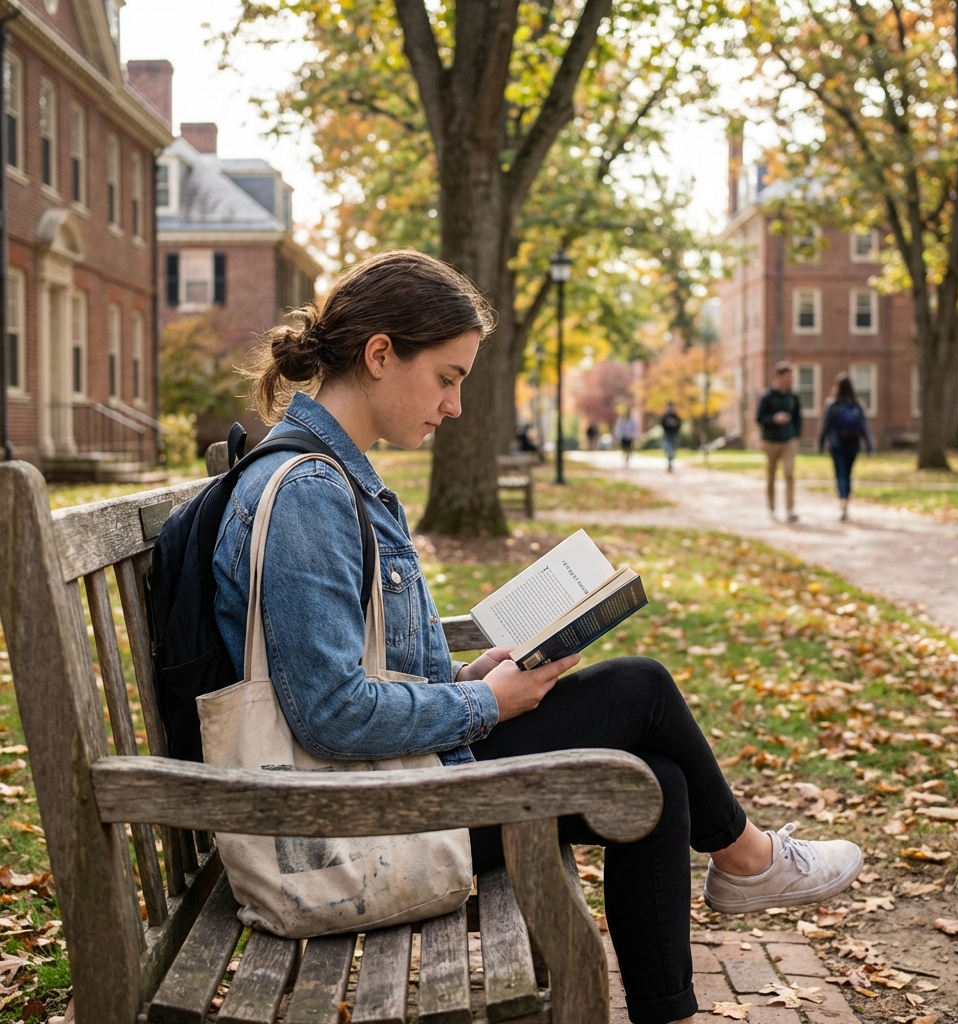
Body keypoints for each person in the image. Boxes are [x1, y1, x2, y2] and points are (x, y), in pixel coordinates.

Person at [215, 251, 861, 1024]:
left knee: (659, 783)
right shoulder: (312, 495)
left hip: (391, 786)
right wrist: (484, 704)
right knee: (641, 687)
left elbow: (351, 675)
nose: (454, 406)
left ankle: (685, 987)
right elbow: (331, 711)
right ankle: (749, 860)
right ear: (381, 355)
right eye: (449, 378)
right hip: (350, 829)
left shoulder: (334, 477)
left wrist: (469, 679)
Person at [818, 373, 873, 521]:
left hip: (837, 444)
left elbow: (825, 426)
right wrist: (869, 446)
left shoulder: (832, 404)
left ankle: (842, 502)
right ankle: (846, 501)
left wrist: (821, 443)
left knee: (840, 473)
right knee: (848, 474)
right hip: (853, 444)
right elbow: (864, 427)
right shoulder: (857, 404)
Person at [757, 362, 802, 522]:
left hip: (788, 440)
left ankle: (790, 509)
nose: (789, 380)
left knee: (789, 473)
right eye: (786, 377)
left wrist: (796, 435)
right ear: (778, 377)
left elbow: (797, 418)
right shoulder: (767, 396)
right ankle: (771, 507)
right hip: (770, 441)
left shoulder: (793, 396)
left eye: (791, 377)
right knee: (771, 475)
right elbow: (759, 418)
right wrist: (774, 419)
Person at [660, 402, 683, 472]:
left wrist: (675, 425)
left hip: (674, 435)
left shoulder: (676, 416)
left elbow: (679, 424)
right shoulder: (665, 416)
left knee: (673, 451)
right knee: (667, 449)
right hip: (667, 435)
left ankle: (670, 463)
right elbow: (662, 424)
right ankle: (669, 463)